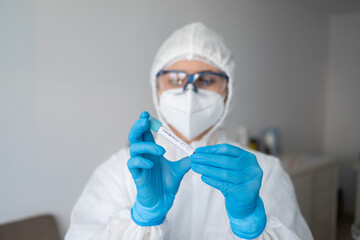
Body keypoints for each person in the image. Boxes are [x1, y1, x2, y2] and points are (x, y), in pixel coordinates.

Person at [65, 22, 313, 240]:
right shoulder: (120, 172)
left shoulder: (262, 173)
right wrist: (142, 218)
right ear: (157, 88)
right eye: (175, 80)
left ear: (228, 91)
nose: (190, 91)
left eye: (206, 80)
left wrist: (251, 225)